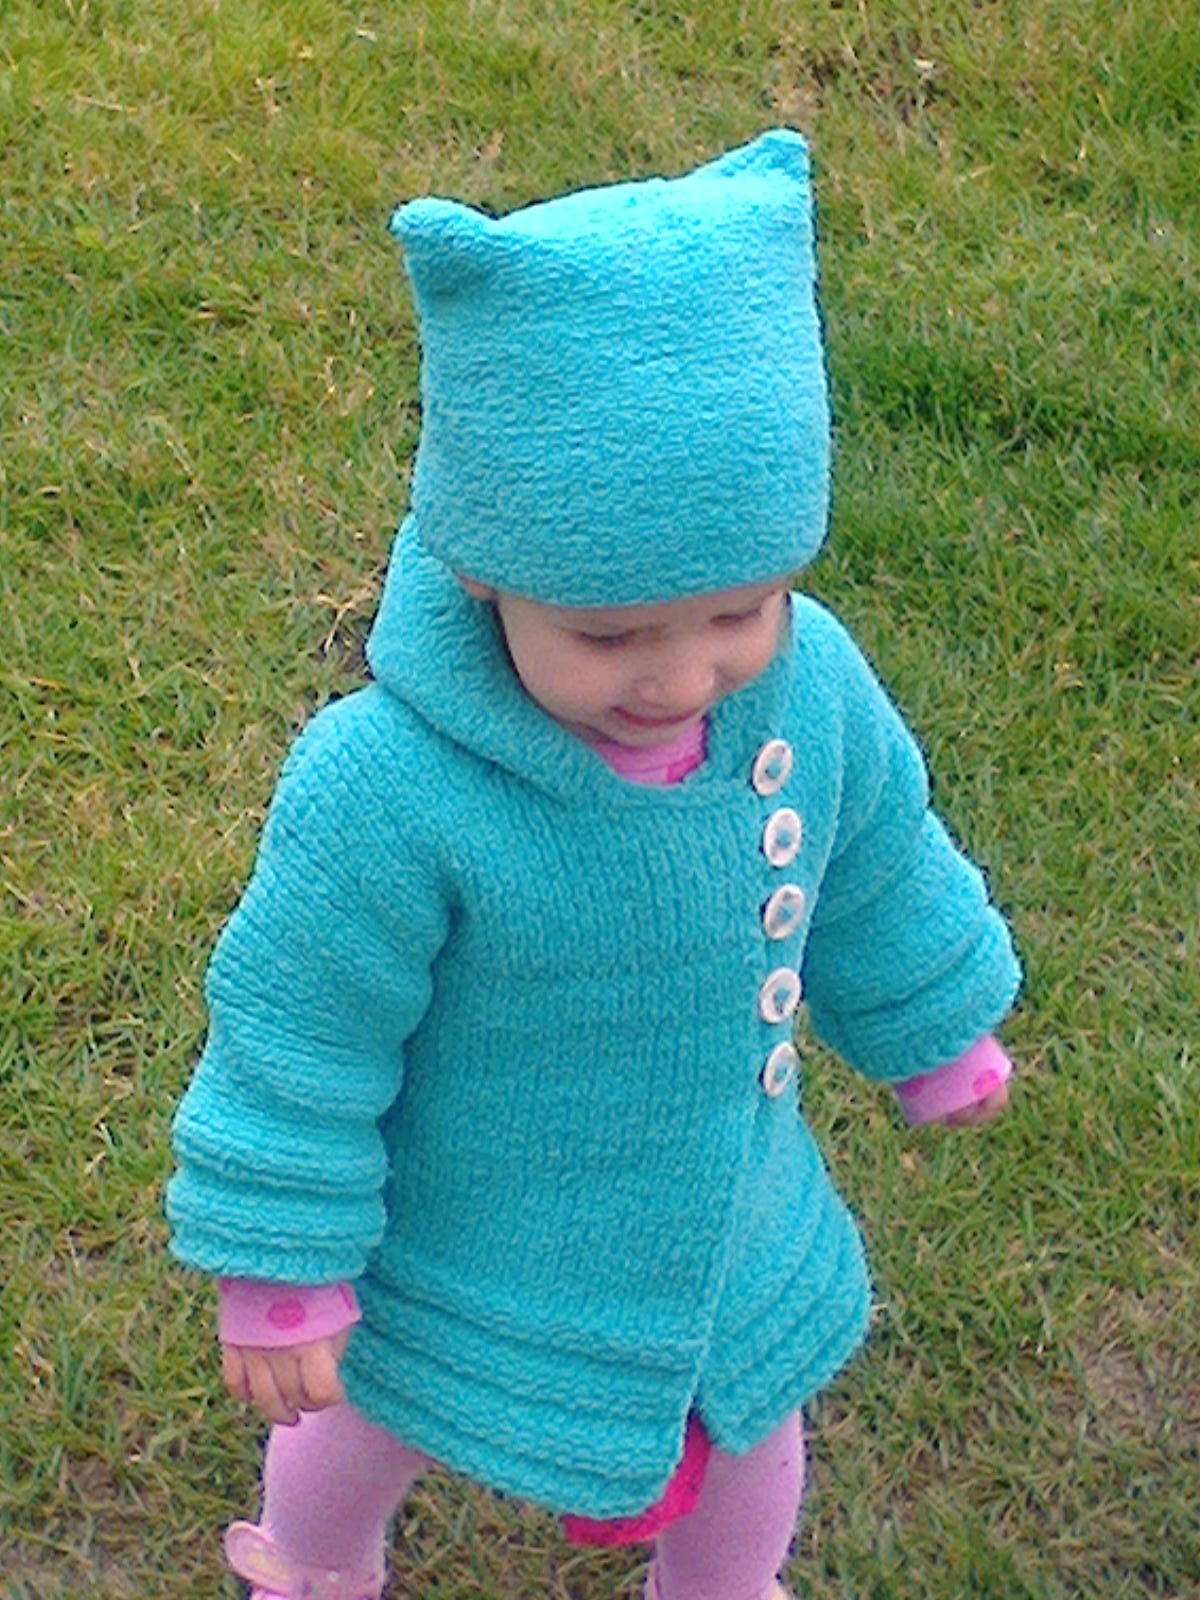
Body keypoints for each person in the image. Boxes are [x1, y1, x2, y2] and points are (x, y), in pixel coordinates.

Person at [167, 128, 1021, 1600]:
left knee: (751, 1418)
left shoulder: (807, 689)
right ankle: (310, 1562)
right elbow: (301, 1027)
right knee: (372, 1415)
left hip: (724, 1206)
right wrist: (284, 1257)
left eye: (738, 611)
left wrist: (933, 1023)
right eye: (610, 634)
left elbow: (875, 857)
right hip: (470, 1217)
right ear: (483, 569)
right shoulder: (389, 785)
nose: (682, 676)